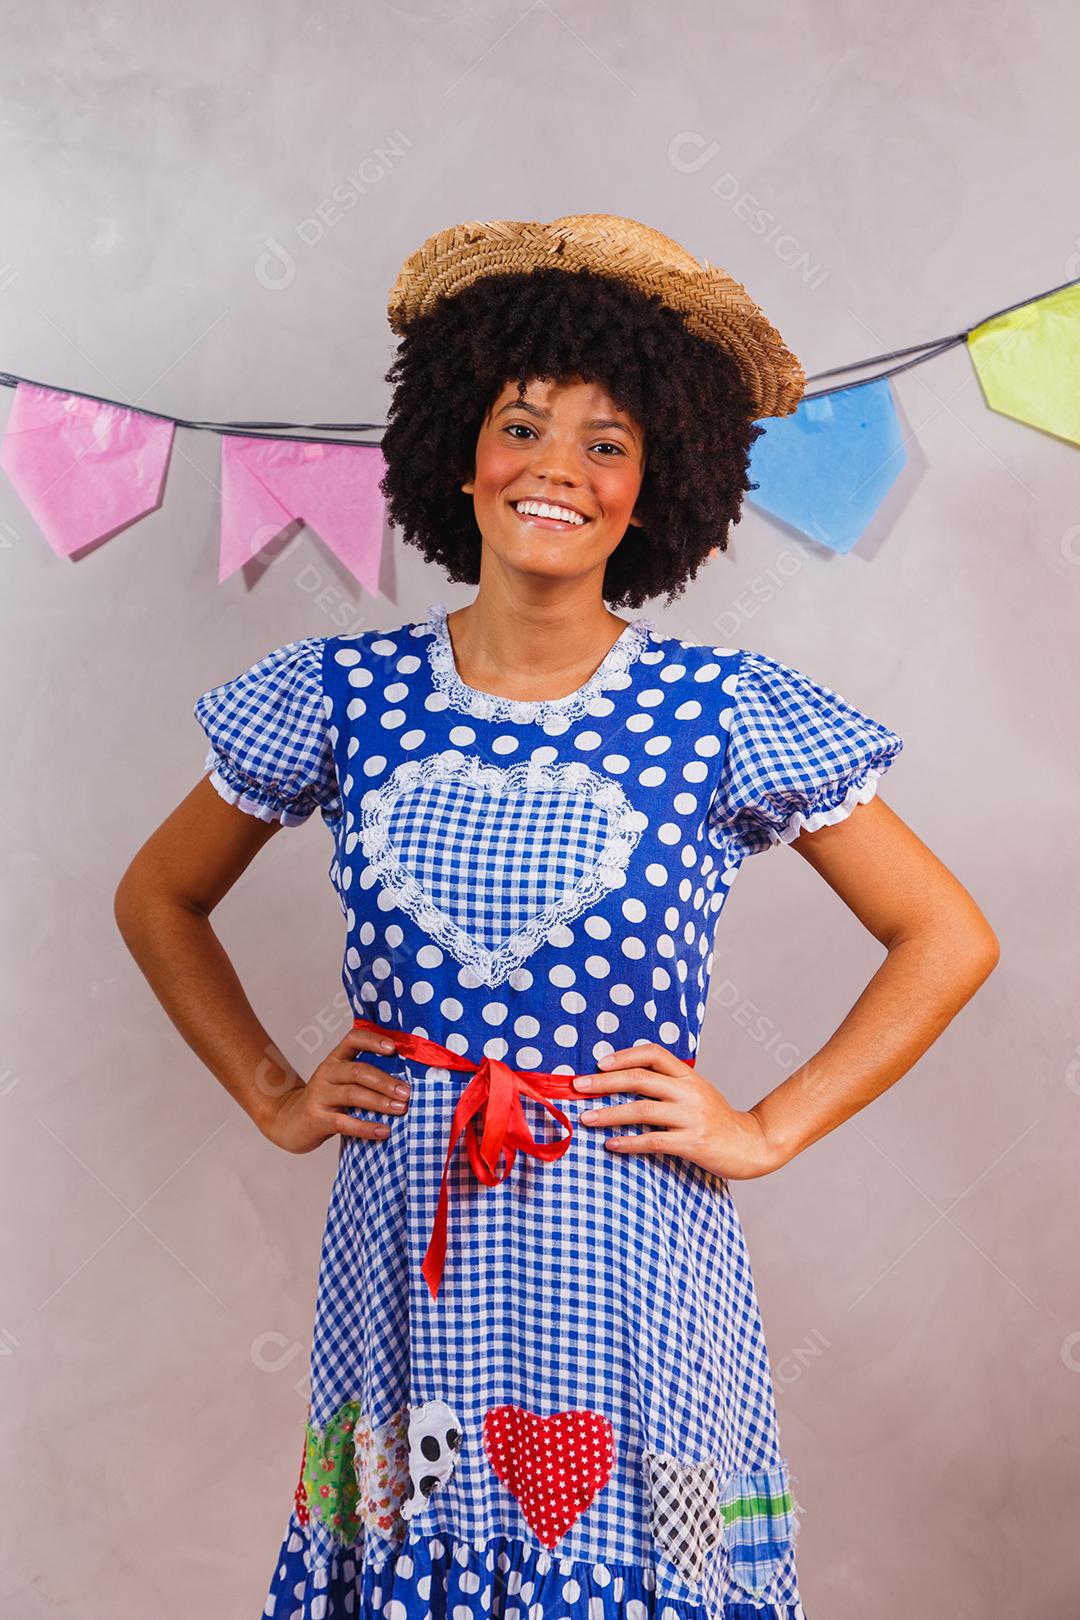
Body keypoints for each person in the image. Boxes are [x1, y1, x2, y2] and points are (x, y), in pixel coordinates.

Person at [114, 215, 999, 1620]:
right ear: (461, 448)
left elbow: (949, 937)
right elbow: (159, 896)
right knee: (414, 1563)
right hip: (408, 1230)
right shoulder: (346, 696)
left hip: (631, 1233)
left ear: (655, 489)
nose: (558, 471)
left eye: (608, 442)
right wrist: (277, 1093)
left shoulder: (721, 714)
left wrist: (763, 1127)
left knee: (647, 1571)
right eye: (525, 424)